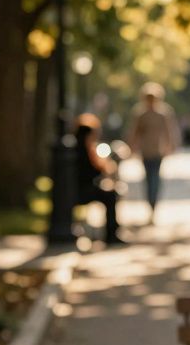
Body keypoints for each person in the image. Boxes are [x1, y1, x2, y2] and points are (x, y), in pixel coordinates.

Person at [126, 82, 178, 224]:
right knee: (149, 180)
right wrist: (131, 147)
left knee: (156, 179)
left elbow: (169, 131)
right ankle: (150, 206)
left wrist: (170, 145)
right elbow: (134, 132)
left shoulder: (163, 113)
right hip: (146, 151)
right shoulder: (140, 114)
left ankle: (154, 206)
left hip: (158, 151)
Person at [73, 113, 125, 245]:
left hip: (74, 190)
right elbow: (93, 172)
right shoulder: (85, 149)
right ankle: (111, 234)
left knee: (109, 193)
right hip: (80, 191)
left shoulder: (74, 146)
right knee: (110, 195)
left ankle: (111, 233)